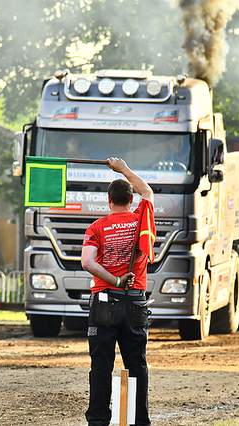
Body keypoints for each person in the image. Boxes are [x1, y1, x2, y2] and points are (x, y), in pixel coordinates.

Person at [81, 157, 154, 426]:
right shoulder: (141, 219)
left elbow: (87, 262)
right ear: (131, 199)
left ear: (109, 200)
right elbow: (147, 191)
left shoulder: (97, 227)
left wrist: (114, 280)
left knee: (101, 366)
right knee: (137, 365)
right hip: (135, 302)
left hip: (103, 302)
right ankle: (139, 422)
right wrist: (123, 169)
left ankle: (98, 421)